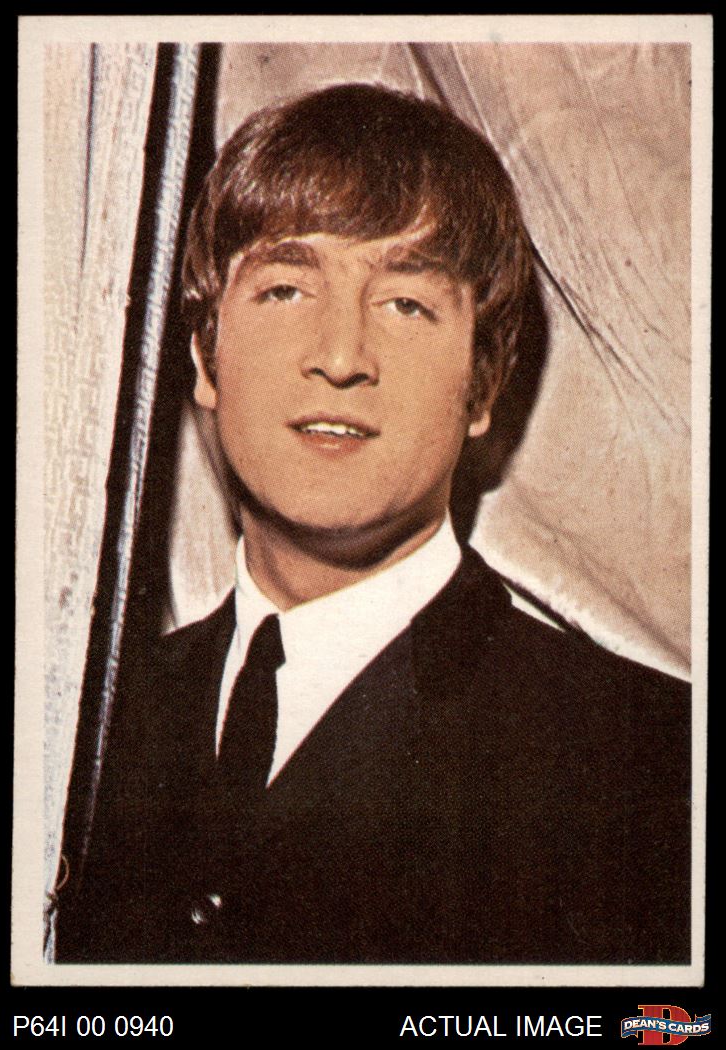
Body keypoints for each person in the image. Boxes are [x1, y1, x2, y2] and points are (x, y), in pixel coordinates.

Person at [56, 83, 690, 965]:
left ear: (482, 387)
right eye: (285, 289)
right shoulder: (75, 722)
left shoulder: (651, 763)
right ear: (205, 356)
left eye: (405, 304)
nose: (341, 357)